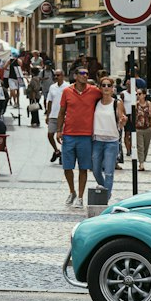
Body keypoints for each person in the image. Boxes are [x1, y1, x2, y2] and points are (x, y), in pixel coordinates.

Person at [56, 67, 100, 207]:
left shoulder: (94, 91)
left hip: (86, 135)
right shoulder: (67, 91)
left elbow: (106, 98)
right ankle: (72, 191)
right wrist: (58, 130)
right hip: (69, 134)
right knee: (67, 167)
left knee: (83, 167)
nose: (85, 75)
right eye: (82, 73)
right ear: (75, 76)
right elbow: (62, 112)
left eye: (87, 73)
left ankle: (80, 197)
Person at [90, 75, 126, 198]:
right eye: (103, 85)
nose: (106, 87)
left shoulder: (117, 103)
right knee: (95, 170)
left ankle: (106, 196)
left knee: (109, 172)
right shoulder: (95, 103)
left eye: (109, 85)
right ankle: (105, 189)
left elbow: (122, 119)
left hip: (112, 141)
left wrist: (123, 121)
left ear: (113, 88)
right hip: (97, 140)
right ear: (99, 88)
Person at [45, 69, 67, 163]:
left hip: (64, 115)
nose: (56, 77)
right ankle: (57, 151)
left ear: (63, 75)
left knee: (63, 136)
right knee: (50, 134)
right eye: (55, 75)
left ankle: (63, 154)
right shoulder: (52, 87)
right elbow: (49, 101)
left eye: (58, 75)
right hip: (53, 115)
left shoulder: (67, 87)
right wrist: (47, 114)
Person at [133, 85, 151, 170]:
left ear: (144, 95)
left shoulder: (148, 103)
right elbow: (133, 116)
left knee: (146, 146)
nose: (138, 96)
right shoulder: (135, 104)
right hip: (138, 128)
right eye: (137, 94)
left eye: (140, 94)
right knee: (140, 146)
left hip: (147, 127)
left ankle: (143, 160)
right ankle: (141, 163)